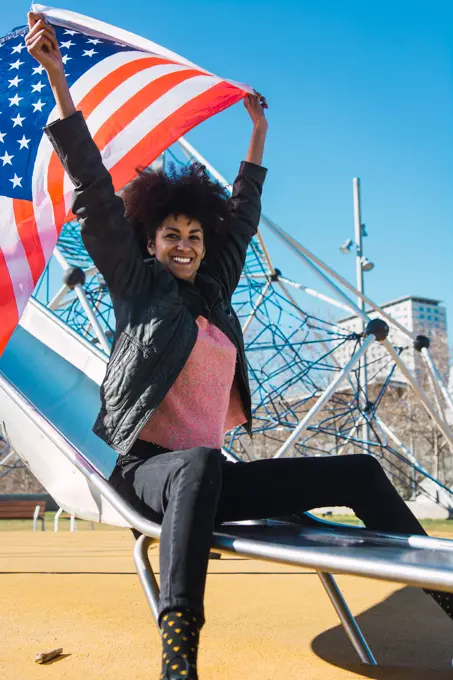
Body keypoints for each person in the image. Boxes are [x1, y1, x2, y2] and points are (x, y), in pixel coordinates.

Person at [26, 12, 453, 680]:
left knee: (359, 472)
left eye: (193, 235)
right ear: (148, 243)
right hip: (149, 476)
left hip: (211, 479)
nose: (186, 245)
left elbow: (242, 218)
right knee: (197, 461)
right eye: (171, 235)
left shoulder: (214, 295)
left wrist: (257, 133)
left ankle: (446, 603)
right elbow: (95, 192)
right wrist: (57, 79)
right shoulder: (137, 289)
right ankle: (179, 652)